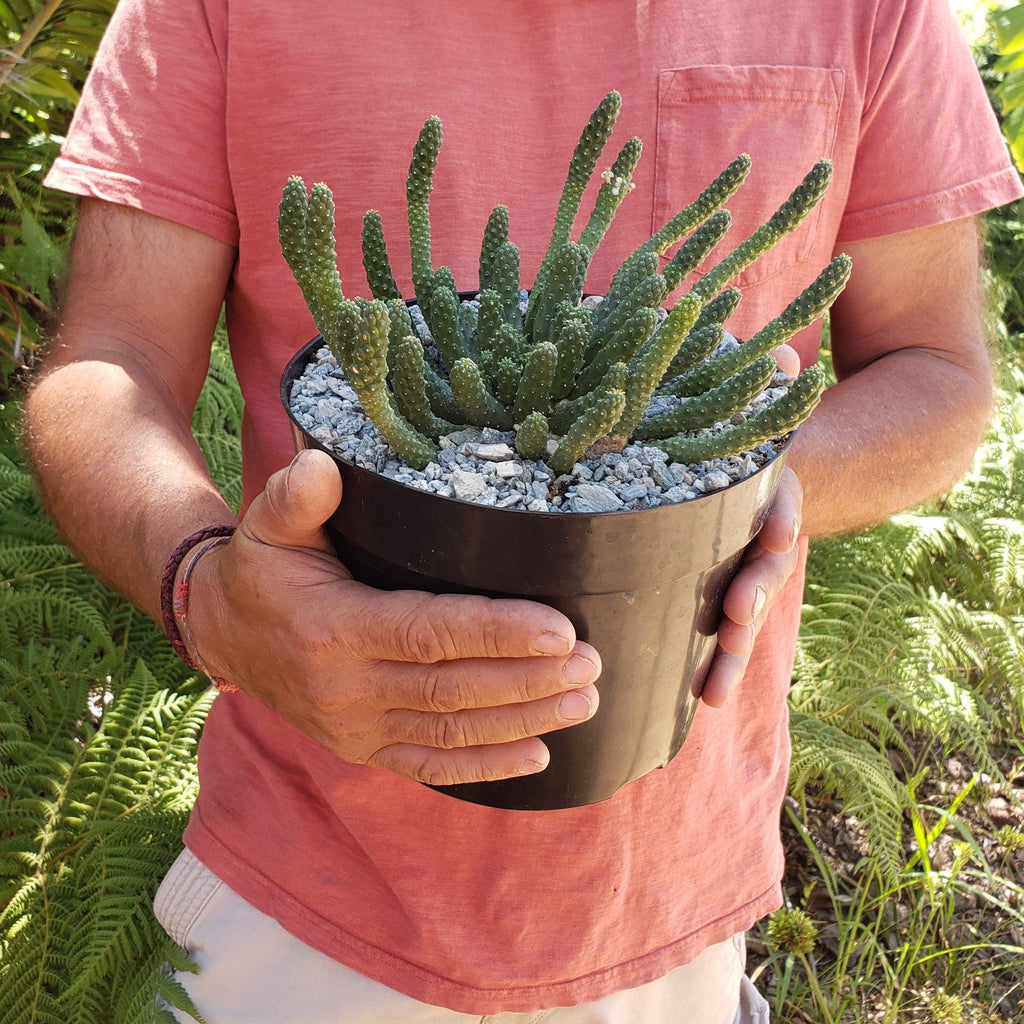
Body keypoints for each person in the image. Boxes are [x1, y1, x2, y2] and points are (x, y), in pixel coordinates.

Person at [24, 0, 1021, 1021]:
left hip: (671, 909)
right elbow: (110, 362)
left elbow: (935, 369)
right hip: (300, 903)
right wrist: (206, 588)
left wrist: (752, 486)